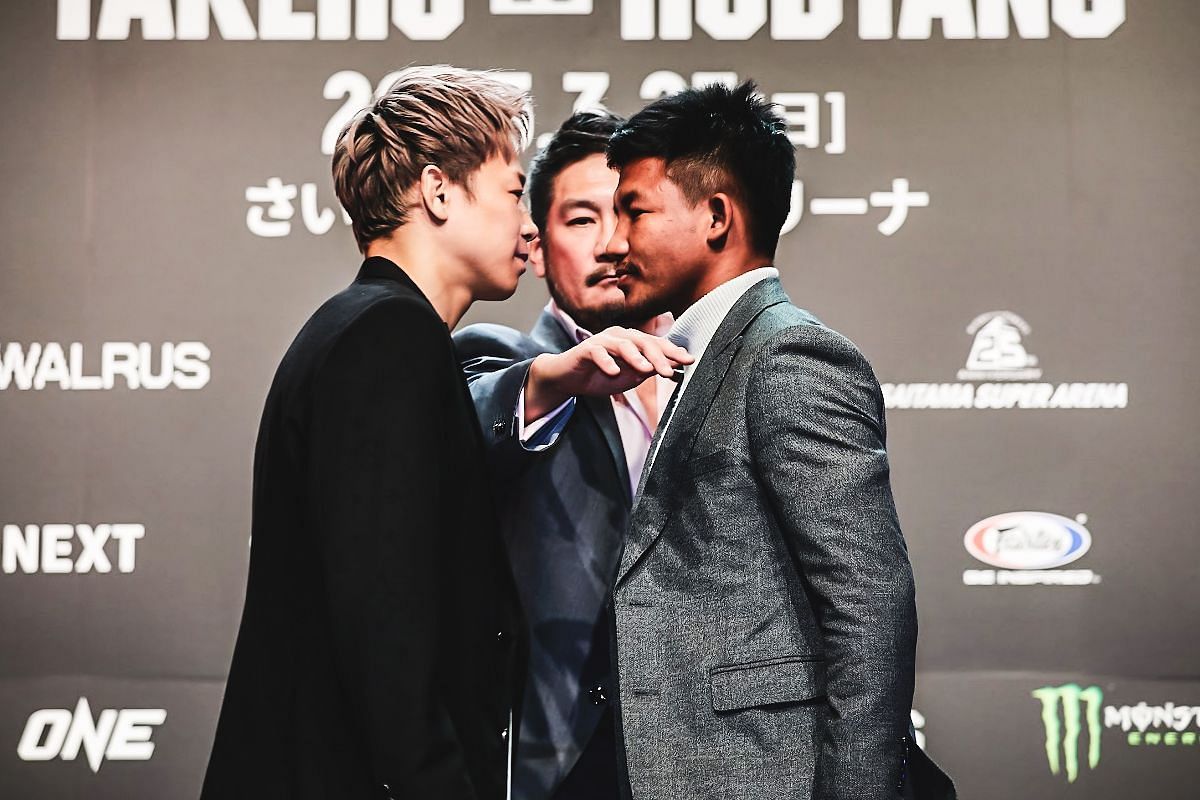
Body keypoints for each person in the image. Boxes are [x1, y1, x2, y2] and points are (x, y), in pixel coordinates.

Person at [601, 81, 955, 799]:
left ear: (716, 216)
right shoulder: (714, 353)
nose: (613, 242)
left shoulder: (789, 357)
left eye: (633, 211)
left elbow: (869, 604)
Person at [202, 66, 538, 800]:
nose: (531, 224)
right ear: (439, 191)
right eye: (515, 192)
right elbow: (385, 625)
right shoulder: (388, 340)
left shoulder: (372, 331)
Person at [453, 110, 678, 800]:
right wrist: (557, 378)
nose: (612, 242)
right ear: (538, 245)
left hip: (708, 758)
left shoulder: (723, 374)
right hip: (561, 762)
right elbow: (473, 414)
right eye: (582, 221)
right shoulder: (502, 360)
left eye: (631, 213)